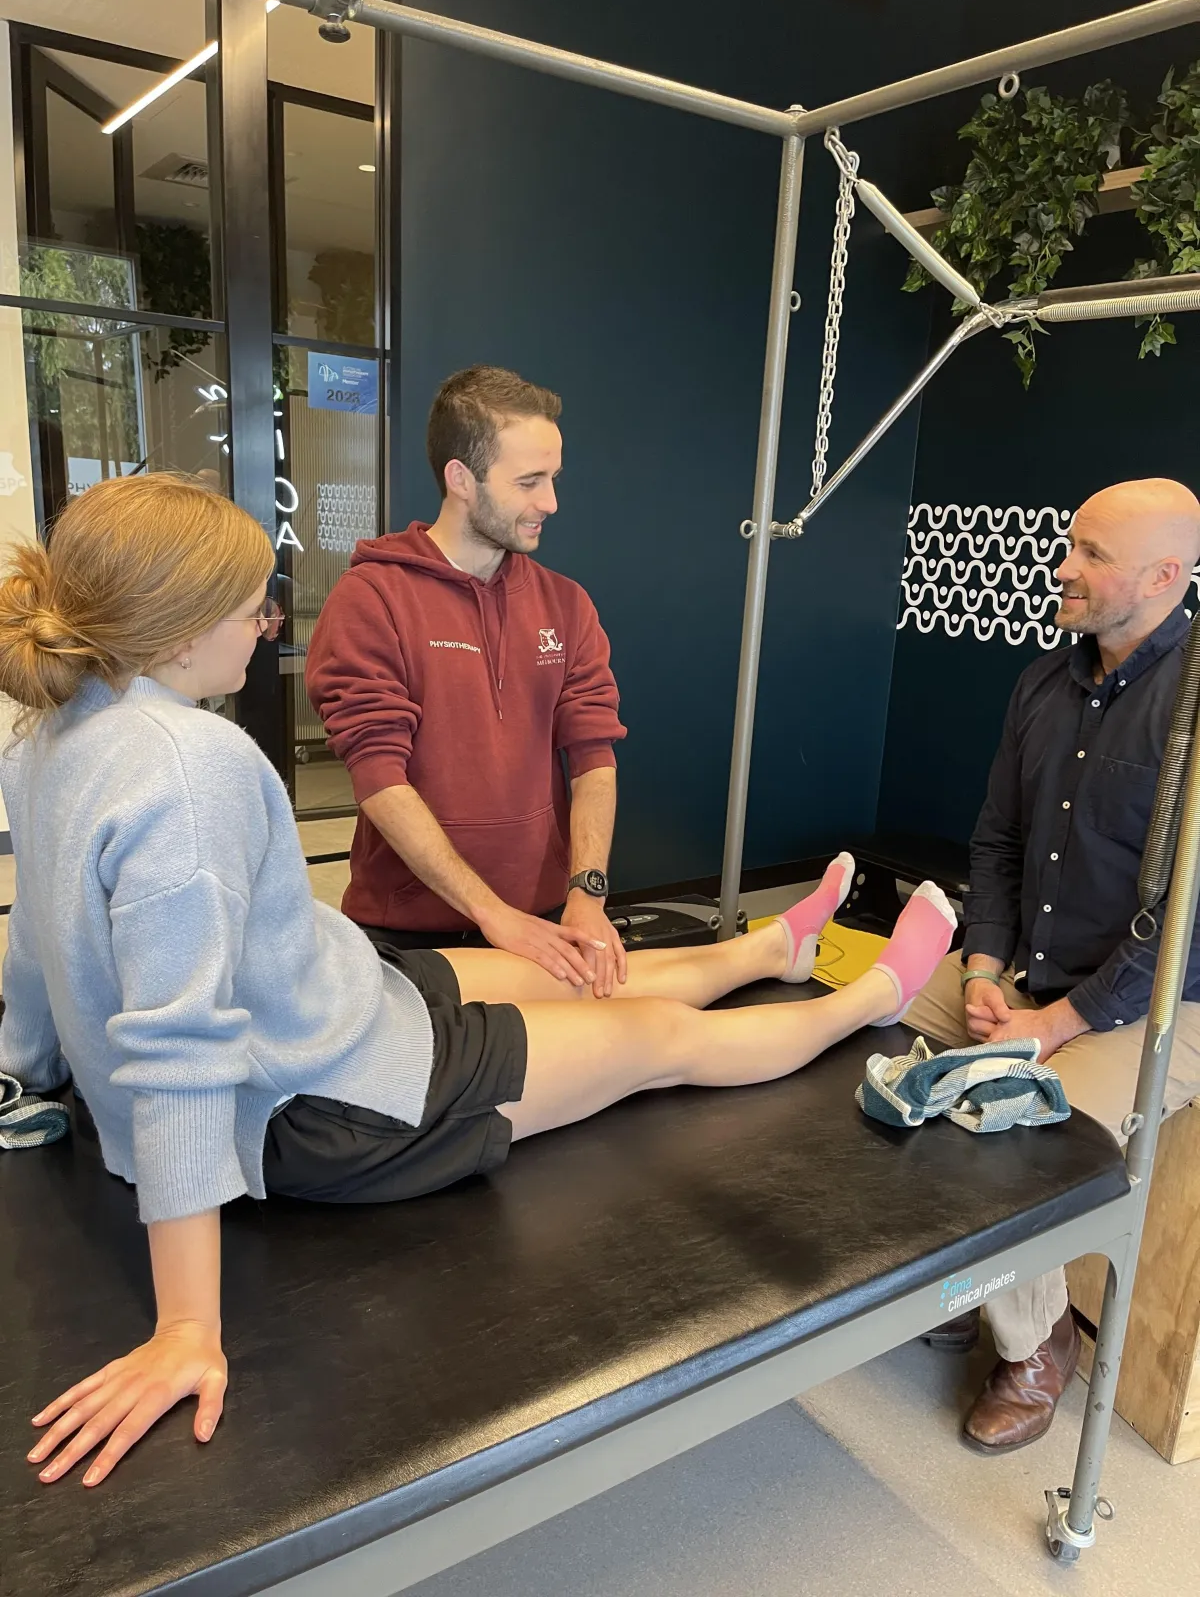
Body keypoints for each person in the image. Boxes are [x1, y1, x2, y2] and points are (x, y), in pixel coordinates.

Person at [0, 473, 957, 1490]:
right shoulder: (190, 763)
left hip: (329, 992)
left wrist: (22, 1069)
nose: (268, 626)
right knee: (654, 1039)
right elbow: (179, 1050)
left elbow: (36, 940)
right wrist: (187, 1327)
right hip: (320, 1098)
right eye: (253, 610)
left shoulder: (51, 732)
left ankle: (768, 955)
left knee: (559, 965)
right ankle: (872, 999)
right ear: (182, 631)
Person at [907, 477, 1200, 1455]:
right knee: (873, 1032)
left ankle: (1039, 1346)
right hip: (1025, 971)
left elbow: (1190, 922)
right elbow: (997, 840)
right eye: (1070, 543)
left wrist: (1056, 1023)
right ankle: (942, 1277)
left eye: (1091, 554)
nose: (1062, 566)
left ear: (1163, 576)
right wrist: (984, 968)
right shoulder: (1043, 682)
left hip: (1154, 1001)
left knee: (1021, 1135)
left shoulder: (1193, 708)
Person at [307, 366, 628, 999]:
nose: (551, 503)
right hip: (408, 931)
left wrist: (587, 893)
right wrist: (491, 914)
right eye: (529, 482)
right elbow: (380, 778)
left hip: (544, 918)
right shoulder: (373, 599)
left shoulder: (567, 605)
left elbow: (593, 756)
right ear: (461, 479)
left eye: (553, 479)